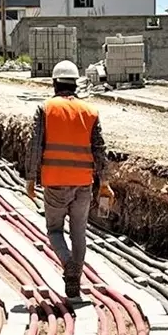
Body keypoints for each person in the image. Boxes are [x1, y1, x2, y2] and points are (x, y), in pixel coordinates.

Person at [25, 60, 113, 300]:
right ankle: (77, 276)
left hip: (55, 182)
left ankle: (67, 265)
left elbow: (35, 145)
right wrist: (104, 182)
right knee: (79, 233)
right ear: (75, 84)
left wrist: (30, 179)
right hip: (84, 183)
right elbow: (99, 149)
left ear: (55, 83)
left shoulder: (46, 108)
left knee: (54, 229)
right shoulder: (90, 111)